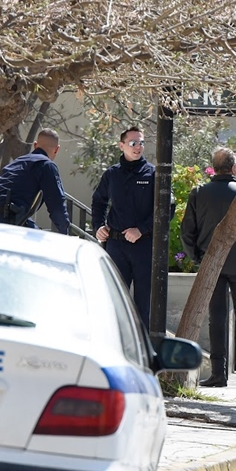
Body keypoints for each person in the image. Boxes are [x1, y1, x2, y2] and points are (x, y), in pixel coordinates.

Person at [181, 147, 236, 388]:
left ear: (214, 167)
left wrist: (197, 257)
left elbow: (187, 232)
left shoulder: (199, 193)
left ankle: (219, 373)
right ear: (233, 168)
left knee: (216, 318)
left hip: (212, 263)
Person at [92, 126, 155, 327]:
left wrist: (142, 229)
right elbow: (98, 201)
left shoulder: (153, 174)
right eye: (133, 143)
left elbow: (165, 210)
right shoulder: (112, 174)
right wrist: (98, 227)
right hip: (116, 246)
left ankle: (142, 352)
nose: (138, 147)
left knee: (142, 304)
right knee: (114, 301)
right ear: (121, 146)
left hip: (143, 247)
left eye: (141, 142)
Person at [0, 129, 70, 234]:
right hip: (10, 221)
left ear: (35, 145)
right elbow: (57, 206)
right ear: (56, 149)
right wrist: (65, 233)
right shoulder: (47, 165)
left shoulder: (16, 163)